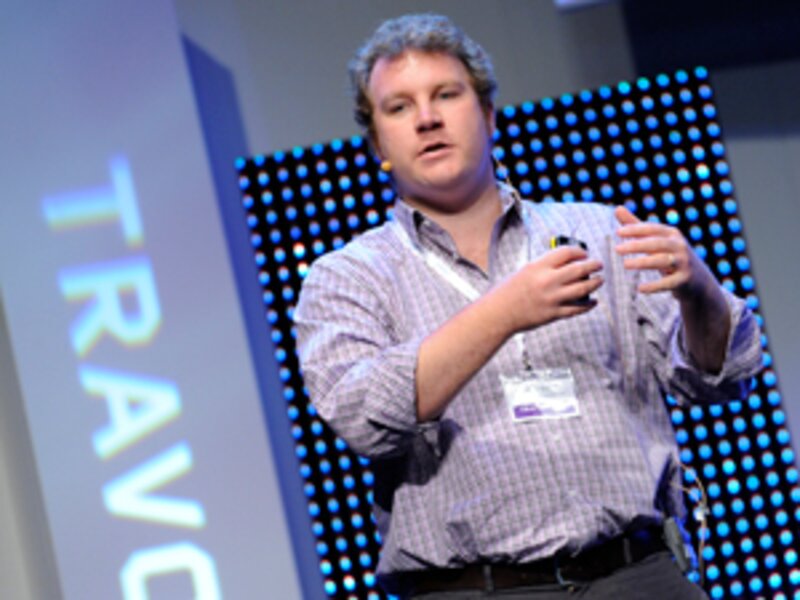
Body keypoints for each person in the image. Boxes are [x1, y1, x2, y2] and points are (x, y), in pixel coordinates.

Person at [294, 13, 762, 599]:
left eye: (446, 95)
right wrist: (504, 311)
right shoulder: (347, 277)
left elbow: (721, 381)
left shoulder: (601, 232)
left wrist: (701, 293)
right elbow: (362, 417)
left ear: (488, 115)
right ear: (378, 145)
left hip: (638, 574)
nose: (428, 118)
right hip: (478, 588)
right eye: (400, 107)